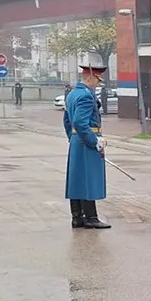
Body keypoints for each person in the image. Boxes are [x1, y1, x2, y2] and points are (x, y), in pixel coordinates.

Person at [63, 53, 111, 229]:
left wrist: (73, 138)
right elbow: (79, 122)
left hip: (78, 140)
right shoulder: (85, 96)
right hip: (87, 140)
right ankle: (91, 217)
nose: (98, 84)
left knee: (77, 180)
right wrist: (92, 140)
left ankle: (77, 217)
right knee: (89, 179)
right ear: (91, 77)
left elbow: (67, 121)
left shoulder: (72, 94)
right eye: (98, 80)